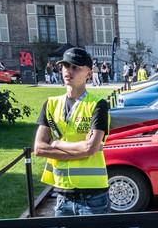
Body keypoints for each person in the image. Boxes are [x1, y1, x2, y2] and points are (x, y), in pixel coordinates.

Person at [34, 47, 110, 216]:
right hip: (62, 196)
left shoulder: (98, 105)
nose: (69, 70)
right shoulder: (51, 104)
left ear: (89, 74)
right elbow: (39, 148)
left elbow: (90, 149)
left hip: (93, 196)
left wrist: (56, 144)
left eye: (75, 67)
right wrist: (81, 148)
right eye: (65, 66)